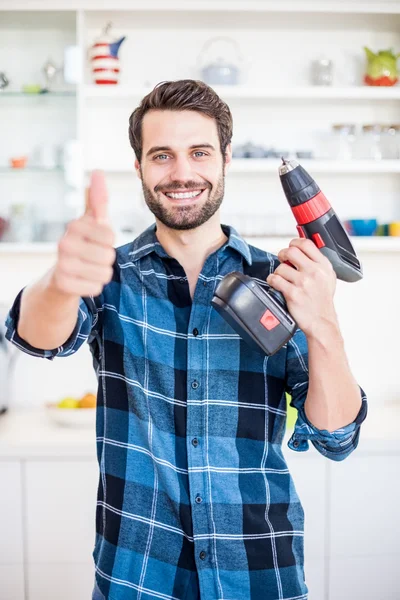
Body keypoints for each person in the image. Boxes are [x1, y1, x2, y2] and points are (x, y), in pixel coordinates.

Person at [5, 79, 367, 600]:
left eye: (199, 152)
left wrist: (324, 322)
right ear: (139, 168)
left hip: (259, 569)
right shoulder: (109, 276)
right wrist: (61, 281)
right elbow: (33, 335)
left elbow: (337, 437)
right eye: (161, 156)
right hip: (138, 572)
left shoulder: (281, 281)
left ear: (225, 159)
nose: (181, 173)